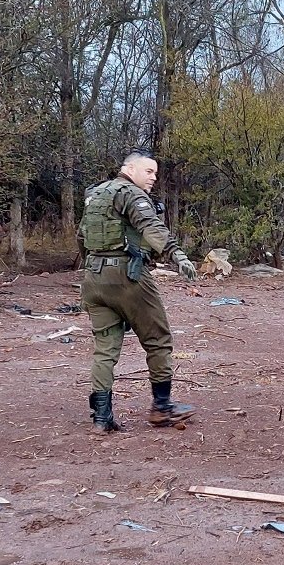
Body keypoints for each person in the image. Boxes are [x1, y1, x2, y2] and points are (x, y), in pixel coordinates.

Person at [78, 151, 199, 435]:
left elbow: (81, 236)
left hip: (93, 277)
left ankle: (101, 417)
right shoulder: (131, 194)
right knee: (158, 339)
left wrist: (92, 263)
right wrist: (177, 255)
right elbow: (151, 226)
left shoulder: (95, 194)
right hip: (126, 276)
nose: (153, 178)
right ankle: (162, 407)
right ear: (129, 169)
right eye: (148, 171)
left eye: (155, 173)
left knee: (105, 349)